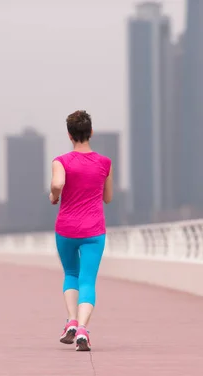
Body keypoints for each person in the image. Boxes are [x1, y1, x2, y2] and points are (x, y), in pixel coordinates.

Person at [50, 110, 113, 351]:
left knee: (70, 274)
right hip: (94, 230)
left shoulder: (61, 161)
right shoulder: (104, 163)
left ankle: (71, 322)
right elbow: (107, 198)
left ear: (69, 135)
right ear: (91, 133)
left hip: (66, 229)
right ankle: (84, 329)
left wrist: (54, 195)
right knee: (88, 280)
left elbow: (57, 184)